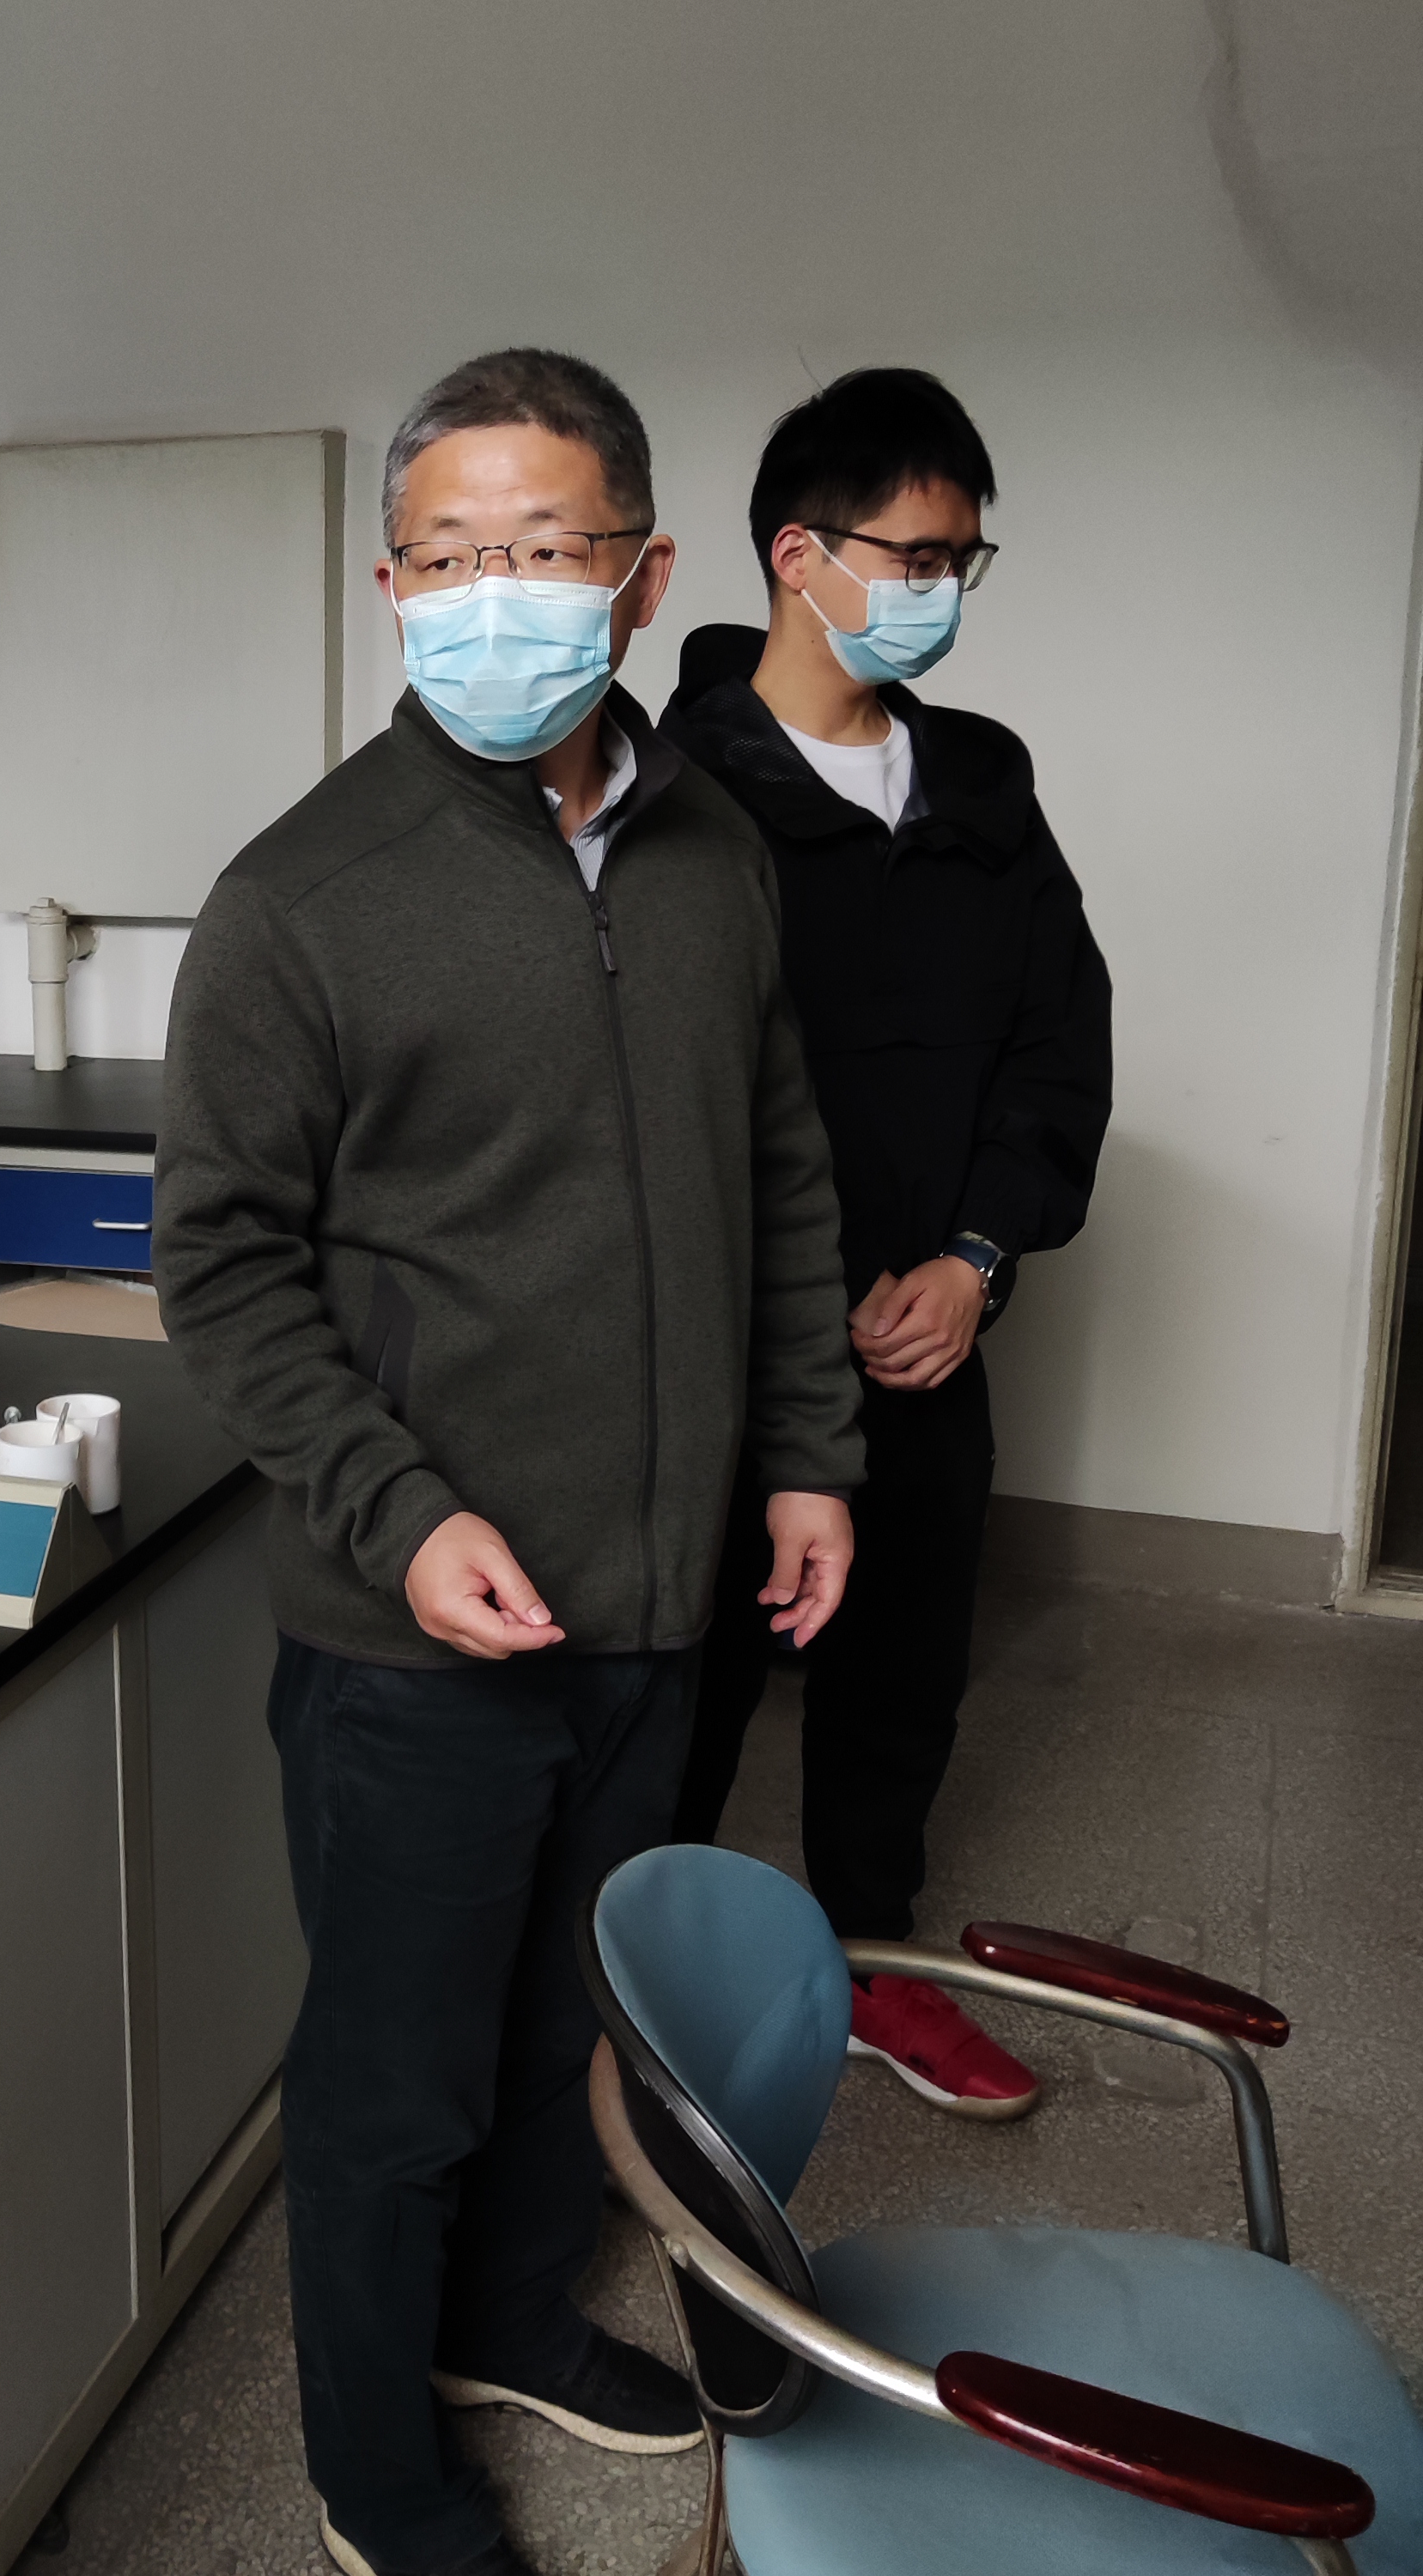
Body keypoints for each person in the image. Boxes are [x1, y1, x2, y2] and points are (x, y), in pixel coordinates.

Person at [153, 347, 866, 2576]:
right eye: (450, 557)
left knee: (585, 2026)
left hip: (662, 1597)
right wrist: (407, 1515)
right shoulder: (300, 898)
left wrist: (810, 1450)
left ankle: (509, 2325)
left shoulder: (718, 854)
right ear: (388, 585)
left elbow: (778, 1170)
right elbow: (223, 1271)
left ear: (644, 576)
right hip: (419, 1632)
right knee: (396, 2079)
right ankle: (377, 2473)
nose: (496, 596)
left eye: (546, 551)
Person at [661, 368, 1112, 2120]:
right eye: (915, 557)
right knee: (683, 1683)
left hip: (926, 1333)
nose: (940, 590)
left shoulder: (981, 784)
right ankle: (643, 1985)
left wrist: (978, 1260)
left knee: (902, 1668)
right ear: (801, 554)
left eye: (961, 562)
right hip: (719, 1352)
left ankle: (870, 1962)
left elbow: (1058, 1046)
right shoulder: (676, 794)